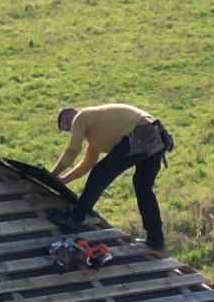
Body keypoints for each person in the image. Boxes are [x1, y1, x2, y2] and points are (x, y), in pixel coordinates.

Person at [49, 103, 170, 249]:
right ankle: (156, 239)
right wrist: (62, 181)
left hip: (140, 134)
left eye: (67, 123)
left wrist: (52, 175)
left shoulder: (81, 116)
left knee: (100, 173)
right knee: (142, 186)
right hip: (156, 136)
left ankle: (74, 218)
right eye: (67, 129)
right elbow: (86, 165)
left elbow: (73, 150)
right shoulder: (94, 140)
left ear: (72, 114)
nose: (71, 128)